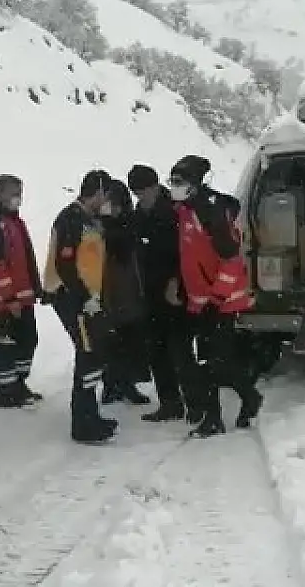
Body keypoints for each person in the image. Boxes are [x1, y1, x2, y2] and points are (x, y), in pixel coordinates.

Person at [168, 156, 264, 437]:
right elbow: (189, 255)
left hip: (222, 301)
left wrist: (218, 297)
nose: (173, 187)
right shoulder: (185, 212)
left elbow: (232, 260)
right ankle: (231, 408)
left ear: (195, 184)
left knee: (215, 362)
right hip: (201, 301)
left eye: (179, 182)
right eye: (172, 181)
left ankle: (232, 407)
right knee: (210, 360)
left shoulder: (210, 215)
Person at [42, 170, 118, 444]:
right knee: (88, 353)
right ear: (96, 192)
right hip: (72, 297)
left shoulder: (91, 220)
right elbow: (65, 264)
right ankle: (83, 424)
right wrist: (85, 297)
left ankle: (89, 415)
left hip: (89, 297)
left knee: (92, 354)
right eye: (104, 195)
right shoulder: (71, 220)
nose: (106, 200)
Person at [127, 164, 200, 423]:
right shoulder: (138, 214)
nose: (140, 197)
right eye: (136, 193)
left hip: (176, 291)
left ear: (156, 186)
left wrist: (175, 281)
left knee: (180, 350)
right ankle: (170, 403)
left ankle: (196, 403)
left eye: (144, 191)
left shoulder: (175, 210)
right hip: (150, 291)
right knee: (156, 351)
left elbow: (187, 251)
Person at [0, 175, 44, 408]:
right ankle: (7, 390)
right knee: (8, 343)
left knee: (27, 340)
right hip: (3, 301)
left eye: (19, 193)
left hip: (20, 298)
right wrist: (9, 297)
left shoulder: (11, 220)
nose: (17, 198)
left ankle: (18, 384)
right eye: (13, 193)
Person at [99, 178, 153, 405]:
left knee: (131, 339)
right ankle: (112, 383)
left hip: (130, 288)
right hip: (110, 289)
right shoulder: (98, 226)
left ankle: (126, 383)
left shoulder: (130, 224)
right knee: (111, 340)